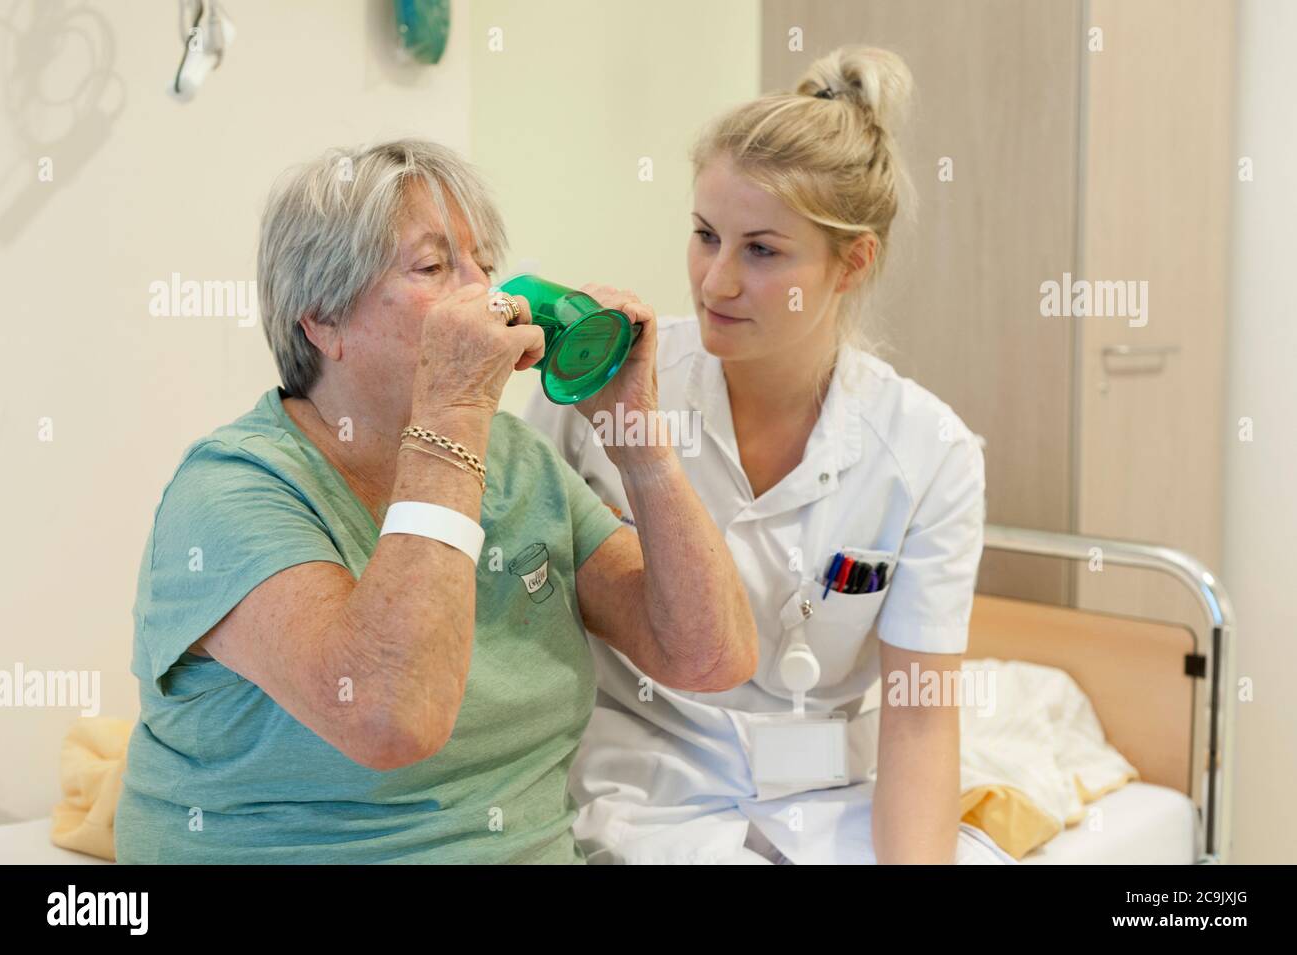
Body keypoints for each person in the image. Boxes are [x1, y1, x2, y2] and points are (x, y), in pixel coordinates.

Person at [115, 138, 758, 863]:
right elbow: (392, 719)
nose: (488, 292)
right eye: (431, 266)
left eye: (482, 261)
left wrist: (638, 438)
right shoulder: (230, 492)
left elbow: (709, 656)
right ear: (322, 320)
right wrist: (451, 410)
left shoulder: (514, 460)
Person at [525, 48, 1015, 864]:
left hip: (830, 798)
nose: (715, 282)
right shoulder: (604, 390)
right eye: (705, 235)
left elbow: (920, 715)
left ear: (851, 262)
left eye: (761, 251)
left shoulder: (929, 453)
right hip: (640, 791)